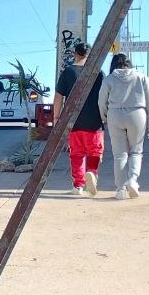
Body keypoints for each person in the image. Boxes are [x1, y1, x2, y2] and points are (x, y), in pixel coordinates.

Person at [98, 53, 149, 200]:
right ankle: (132, 180)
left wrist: (104, 117)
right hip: (137, 114)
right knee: (136, 152)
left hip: (115, 115)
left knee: (119, 155)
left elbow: (101, 101)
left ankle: (120, 190)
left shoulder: (109, 79)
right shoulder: (141, 77)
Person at [54, 42, 105, 196]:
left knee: (76, 153)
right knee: (95, 151)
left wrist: (56, 117)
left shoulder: (68, 72)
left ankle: (78, 186)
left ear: (75, 53)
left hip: (73, 119)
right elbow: (104, 97)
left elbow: (58, 97)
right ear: (89, 55)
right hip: (94, 119)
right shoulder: (98, 72)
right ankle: (92, 172)